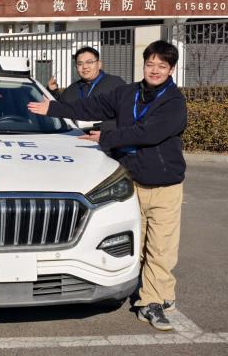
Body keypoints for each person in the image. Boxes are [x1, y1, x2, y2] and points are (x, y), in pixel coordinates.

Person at [28, 40, 186, 331]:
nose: (154, 70)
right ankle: (160, 294)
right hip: (132, 181)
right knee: (139, 247)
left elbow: (148, 133)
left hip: (164, 186)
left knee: (162, 248)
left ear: (171, 70)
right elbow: (90, 106)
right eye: (150, 64)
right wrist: (53, 108)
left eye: (161, 66)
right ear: (144, 65)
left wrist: (106, 137)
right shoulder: (127, 93)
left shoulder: (174, 102)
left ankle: (151, 302)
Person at [47, 46, 126, 133]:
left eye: (89, 62)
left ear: (99, 64)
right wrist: (53, 91)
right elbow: (60, 110)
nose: (84, 67)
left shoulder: (115, 84)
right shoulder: (70, 90)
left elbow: (127, 114)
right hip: (75, 137)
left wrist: (105, 129)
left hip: (107, 136)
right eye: (80, 64)